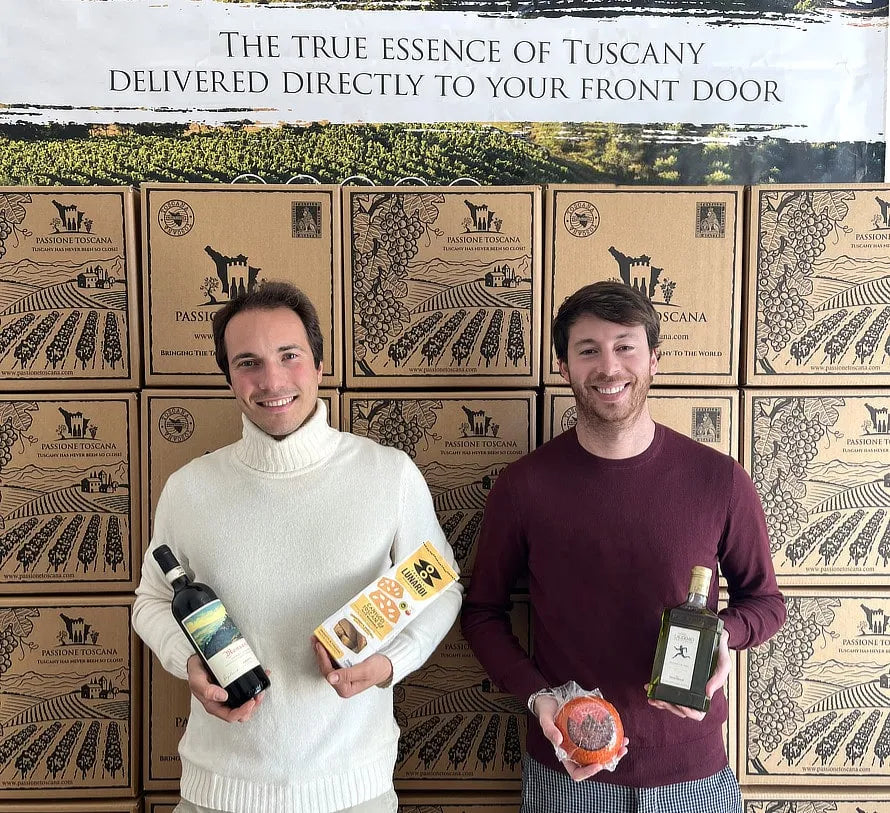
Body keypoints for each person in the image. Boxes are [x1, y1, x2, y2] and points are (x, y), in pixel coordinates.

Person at [133, 281, 462, 813]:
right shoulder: (189, 488)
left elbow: (441, 589)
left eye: (290, 355)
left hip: (353, 792)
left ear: (319, 364)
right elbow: (150, 600)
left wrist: (390, 664)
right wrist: (186, 660)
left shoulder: (388, 475)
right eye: (248, 363)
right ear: (229, 378)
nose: (272, 381)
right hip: (217, 792)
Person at [461, 281, 785, 813]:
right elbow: (482, 614)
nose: (609, 367)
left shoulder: (719, 480)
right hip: (567, 772)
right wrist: (538, 697)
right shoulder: (524, 486)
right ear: (564, 367)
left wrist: (720, 636)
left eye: (625, 347)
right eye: (588, 350)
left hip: (694, 776)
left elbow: (766, 603)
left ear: (654, 359)